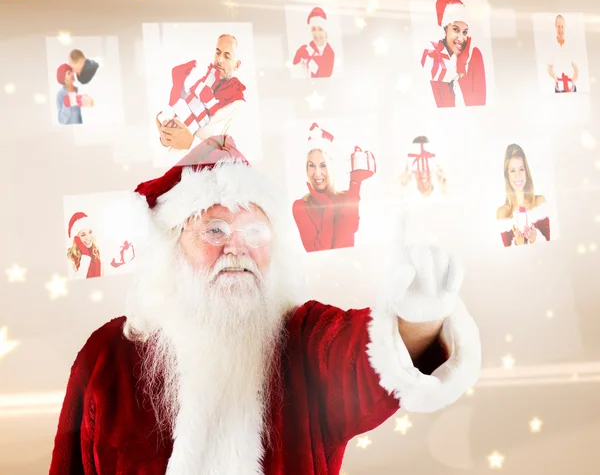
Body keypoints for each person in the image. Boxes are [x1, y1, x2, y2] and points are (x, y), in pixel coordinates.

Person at [49, 144, 481, 474]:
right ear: (171, 246)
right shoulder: (107, 355)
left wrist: (419, 313)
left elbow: (363, 361)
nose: (236, 247)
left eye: (255, 230)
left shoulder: (305, 341)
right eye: (214, 229)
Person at [156, 34, 249, 153]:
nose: (220, 60)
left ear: (237, 65)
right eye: (218, 53)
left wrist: (191, 143)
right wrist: (164, 139)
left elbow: (231, 160)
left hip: (202, 171)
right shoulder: (200, 85)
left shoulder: (238, 107)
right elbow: (177, 135)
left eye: (227, 56)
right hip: (176, 168)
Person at [292, 124, 372, 252]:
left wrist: (355, 183)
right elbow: (319, 251)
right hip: (318, 272)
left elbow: (351, 227)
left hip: (348, 269)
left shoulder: (345, 198)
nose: (317, 173)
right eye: (311, 166)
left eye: (323, 165)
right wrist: (327, 208)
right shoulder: (301, 206)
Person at [420, 0, 486, 108]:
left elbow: (478, 106)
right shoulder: (432, 59)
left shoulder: (474, 56)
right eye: (456, 30)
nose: (461, 39)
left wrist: (461, 69)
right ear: (445, 29)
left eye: (465, 32)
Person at [496, 144, 550, 247]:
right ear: (507, 175)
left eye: (521, 169)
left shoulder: (540, 203)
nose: (518, 176)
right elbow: (503, 257)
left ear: (526, 171)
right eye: (512, 170)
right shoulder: (502, 213)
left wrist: (535, 238)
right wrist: (518, 244)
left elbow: (551, 248)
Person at [292, 7, 335, 78]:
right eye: (314, 29)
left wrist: (310, 60)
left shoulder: (330, 52)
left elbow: (324, 75)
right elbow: (294, 71)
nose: (317, 33)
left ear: (326, 32)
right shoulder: (304, 49)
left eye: (320, 29)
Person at [547, 15, 579, 93]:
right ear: (555, 27)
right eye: (558, 26)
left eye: (562, 26)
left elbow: (576, 69)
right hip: (559, 88)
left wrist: (573, 81)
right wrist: (555, 77)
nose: (560, 29)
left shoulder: (571, 45)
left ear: (564, 27)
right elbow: (549, 68)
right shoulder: (551, 46)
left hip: (571, 87)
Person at [66, 212, 102, 279]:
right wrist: (85, 254)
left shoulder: (96, 251)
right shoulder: (70, 257)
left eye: (90, 232)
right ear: (76, 238)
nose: (88, 238)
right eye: (83, 235)